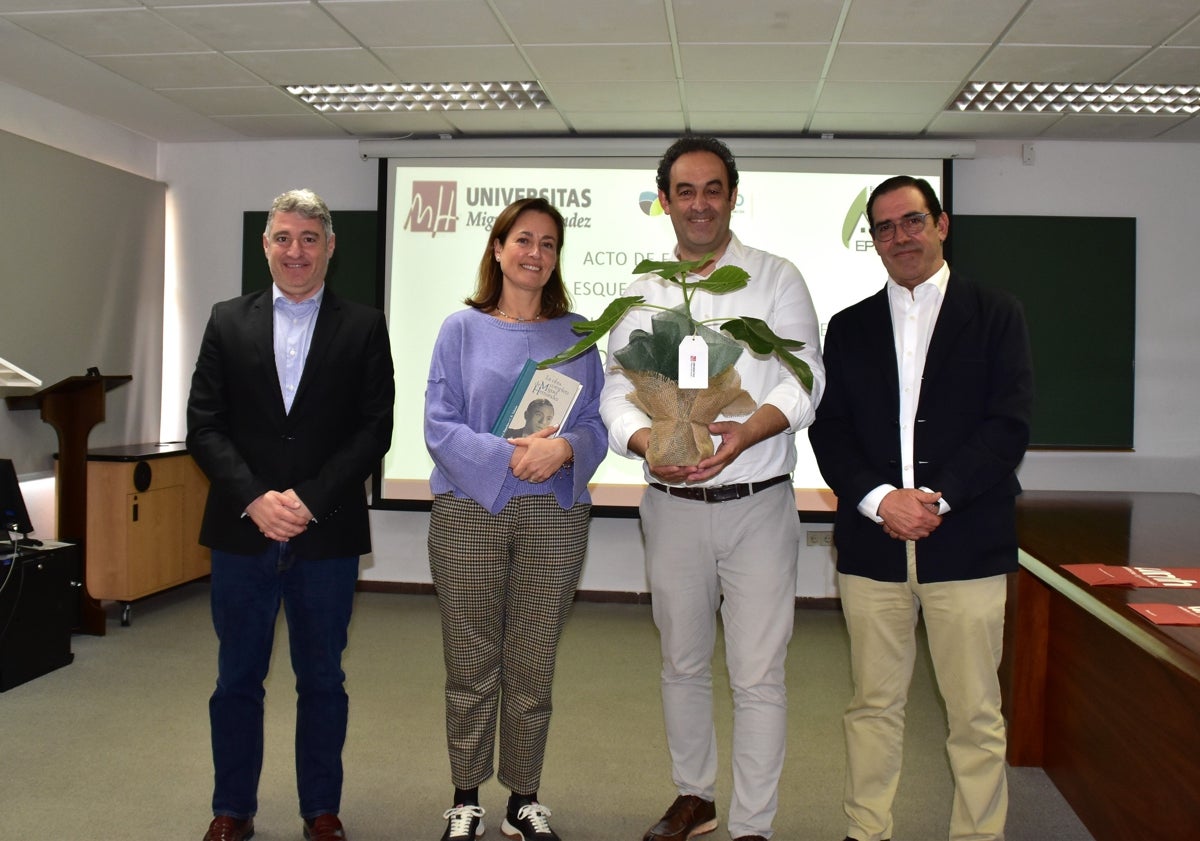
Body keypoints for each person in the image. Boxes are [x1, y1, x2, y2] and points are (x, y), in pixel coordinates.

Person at [599, 136, 825, 841]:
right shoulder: (643, 289)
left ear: (733, 195)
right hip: (670, 507)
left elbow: (804, 377)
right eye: (686, 191)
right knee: (682, 662)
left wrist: (748, 432)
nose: (700, 203)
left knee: (758, 673)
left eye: (714, 189)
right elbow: (615, 390)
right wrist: (648, 444)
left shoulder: (774, 278)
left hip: (757, 502)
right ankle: (695, 794)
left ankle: (753, 824)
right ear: (664, 200)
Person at [808, 175, 1033, 841]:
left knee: (974, 711)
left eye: (911, 221)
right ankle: (867, 828)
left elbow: (1008, 424)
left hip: (966, 540)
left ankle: (978, 832)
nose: (899, 237)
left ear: (942, 224)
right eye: (883, 227)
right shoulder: (847, 329)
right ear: (872, 240)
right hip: (874, 544)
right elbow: (831, 431)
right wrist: (882, 502)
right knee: (873, 704)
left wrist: (936, 498)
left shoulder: (997, 314)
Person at [186, 188, 395, 841]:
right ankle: (232, 809)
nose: (295, 250)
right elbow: (204, 425)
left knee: (323, 679)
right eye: (283, 237)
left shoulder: (364, 325)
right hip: (242, 530)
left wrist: (308, 499)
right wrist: (254, 496)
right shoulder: (226, 320)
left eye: (309, 238)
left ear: (330, 247)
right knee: (236, 677)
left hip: (325, 531)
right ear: (266, 244)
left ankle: (320, 809)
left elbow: (374, 428)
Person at [424, 196, 607, 841]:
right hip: (471, 507)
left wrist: (563, 449)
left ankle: (523, 797)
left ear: (557, 258)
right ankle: (466, 794)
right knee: (470, 656)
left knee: (533, 657)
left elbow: (596, 425)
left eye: (549, 244)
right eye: (523, 240)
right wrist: (510, 457)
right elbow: (438, 426)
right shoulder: (460, 329)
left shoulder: (579, 334)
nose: (535, 253)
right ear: (498, 249)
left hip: (554, 513)